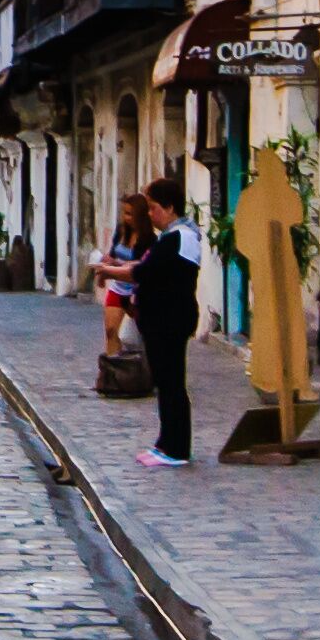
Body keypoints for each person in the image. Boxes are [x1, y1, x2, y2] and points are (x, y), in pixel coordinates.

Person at [97, 175, 205, 467]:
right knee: (164, 380)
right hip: (160, 319)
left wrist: (108, 270)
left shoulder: (180, 237)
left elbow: (144, 273)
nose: (151, 215)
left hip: (171, 318)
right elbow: (144, 266)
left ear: (169, 207)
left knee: (172, 383)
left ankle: (176, 449)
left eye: (154, 208)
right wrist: (116, 266)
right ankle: (165, 441)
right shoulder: (170, 237)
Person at [97, 191, 150, 357]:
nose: (126, 218)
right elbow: (113, 253)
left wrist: (116, 265)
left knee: (136, 337)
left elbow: (142, 266)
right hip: (117, 286)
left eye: (130, 214)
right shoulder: (121, 232)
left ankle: (134, 367)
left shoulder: (149, 239)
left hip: (135, 291)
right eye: (125, 213)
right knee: (111, 330)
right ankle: (113, 368)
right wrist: (106, 264)